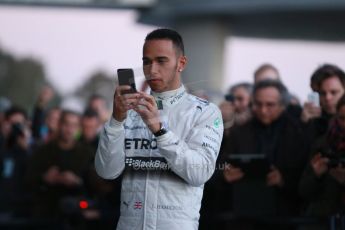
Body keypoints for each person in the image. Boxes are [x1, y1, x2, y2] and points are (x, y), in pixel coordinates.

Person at [95, 28, 223, 230]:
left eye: (161, 60)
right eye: (146, 61)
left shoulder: (204, 112)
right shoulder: (128, 111)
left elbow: (200, 173)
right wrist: (116, 121)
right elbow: (107, 172)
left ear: (181, 63)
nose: (152, 69)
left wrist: (160, 131)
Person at [221, 80, 308, 229]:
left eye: (270, 105)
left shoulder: (299, 132)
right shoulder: (239, 132)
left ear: (282, 105)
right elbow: (221, 164)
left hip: (286, 215)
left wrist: (283, 179)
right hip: (245, 212)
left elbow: (307, 173)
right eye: (258, 104)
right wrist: (225, 174)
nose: (263, 110)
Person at [299, 94, 345, 230]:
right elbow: (303, 191)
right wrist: (316, 175)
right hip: (322, 221)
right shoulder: (323, 143)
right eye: (342, 118)